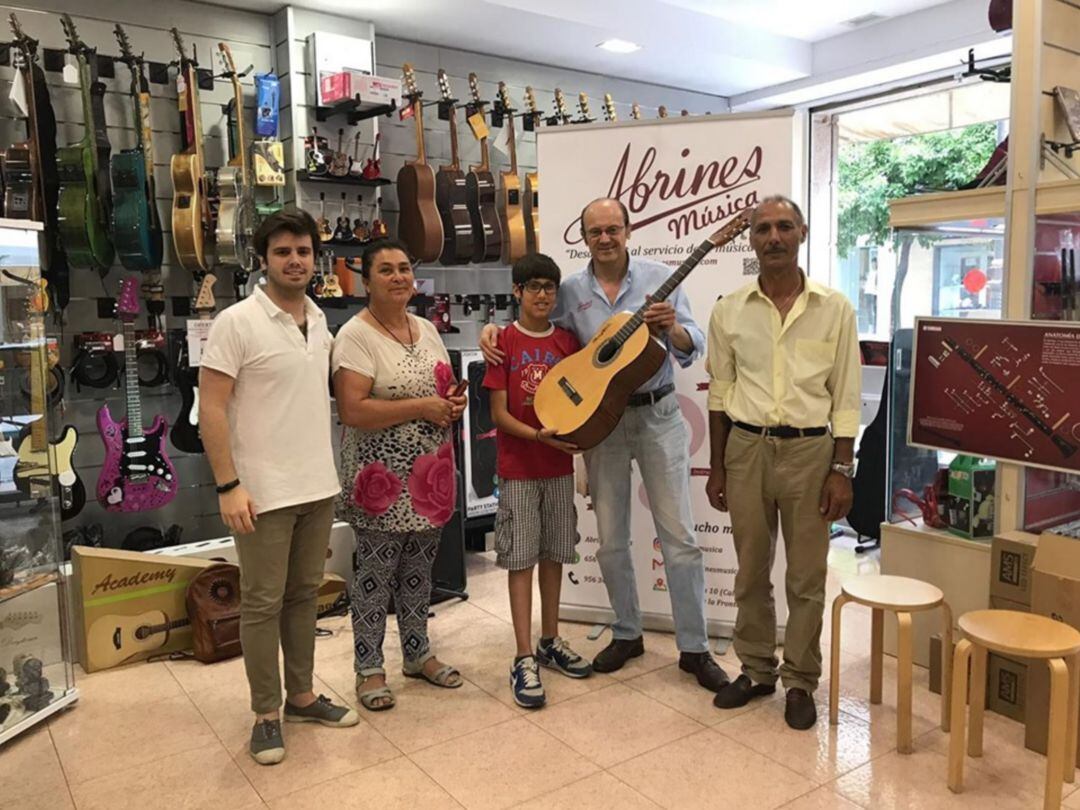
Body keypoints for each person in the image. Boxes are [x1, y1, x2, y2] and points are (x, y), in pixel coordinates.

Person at [481, 198, 728, 692]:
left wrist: (671, 329)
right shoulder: (570, 289)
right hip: (601, 424)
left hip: (658, 415)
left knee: (678, 539)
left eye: (613, 229)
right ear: (585, 236)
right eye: (596, 231)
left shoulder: (662, 277)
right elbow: (549, 337)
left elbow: (694, 343)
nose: (605, 238)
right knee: (611, 539)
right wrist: (495, 329)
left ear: (628, 230)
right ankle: (627, 632)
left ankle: (695, 647)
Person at [200, 209, 358, 766]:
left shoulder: (320, 319)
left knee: (302, 597)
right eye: (283, 252)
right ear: (263, 259)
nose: (295, 261)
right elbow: (211, 410)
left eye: (304, 252)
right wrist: (228, 485)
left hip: (318, 484)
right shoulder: (236, 322)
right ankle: (266, 715)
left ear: (317, 258)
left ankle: (303, 695)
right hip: (261, 492)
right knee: (262, 603)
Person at [705, 195, 861, 730]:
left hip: (811, 453)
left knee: (806, 577)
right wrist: (719, 468)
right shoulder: (729, 310)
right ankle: (754, 668)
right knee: (749, 571)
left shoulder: (834, 308)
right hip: (746, 449)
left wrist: (843, 468)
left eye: (784, 227)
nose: (774, 237)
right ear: (749, 238)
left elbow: (845, 397)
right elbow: (719, 395)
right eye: (763, 228)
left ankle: (799, 680)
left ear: (803, 233)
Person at [333, 239, 467, 712]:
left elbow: (440, 389)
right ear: (365, 281)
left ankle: (418, 653)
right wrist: (424, 407)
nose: (398, 277)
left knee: (418, 574)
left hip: (429, 478)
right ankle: (369, 668)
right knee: (374, 577)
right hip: (380, 481)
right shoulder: (355, 335)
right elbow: (353, 410)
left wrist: (451, 403)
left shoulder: (426, 328)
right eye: (385, 270)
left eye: (404, 269)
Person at [482, 253, 592, 709]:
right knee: (520, 560)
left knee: (554, 556)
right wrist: (539, 437)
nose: (543, 295)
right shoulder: (502, 341)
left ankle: (551, 639)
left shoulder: (568, 341)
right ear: (517, 293)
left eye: (549, 287)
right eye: (533, 287)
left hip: (559, 469)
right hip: (519, 470)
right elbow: (498, 414)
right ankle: (523, 655)